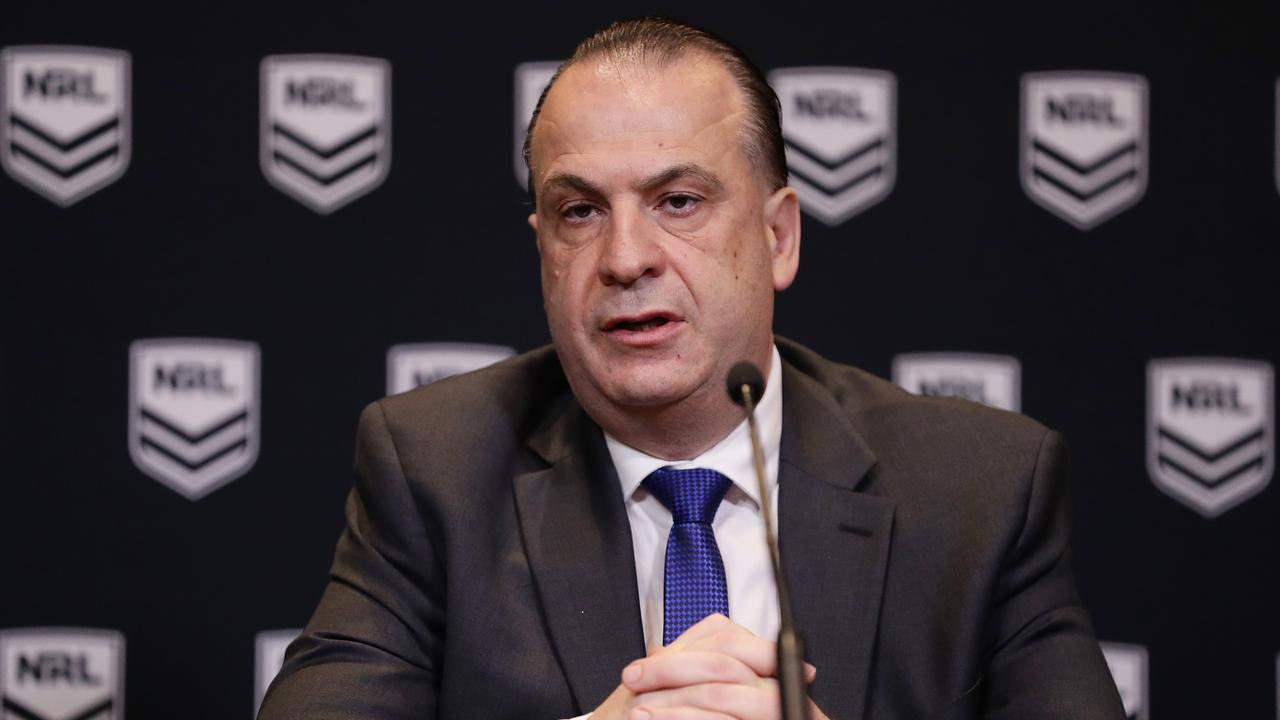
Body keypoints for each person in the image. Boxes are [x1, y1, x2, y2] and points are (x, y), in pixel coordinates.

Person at [259, 17, 1126, 720]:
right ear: (543, 251)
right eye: (579, 211)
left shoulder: (978, 490)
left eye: (679, 201)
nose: (626, 257)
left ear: (778, 236)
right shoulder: (437, 468)